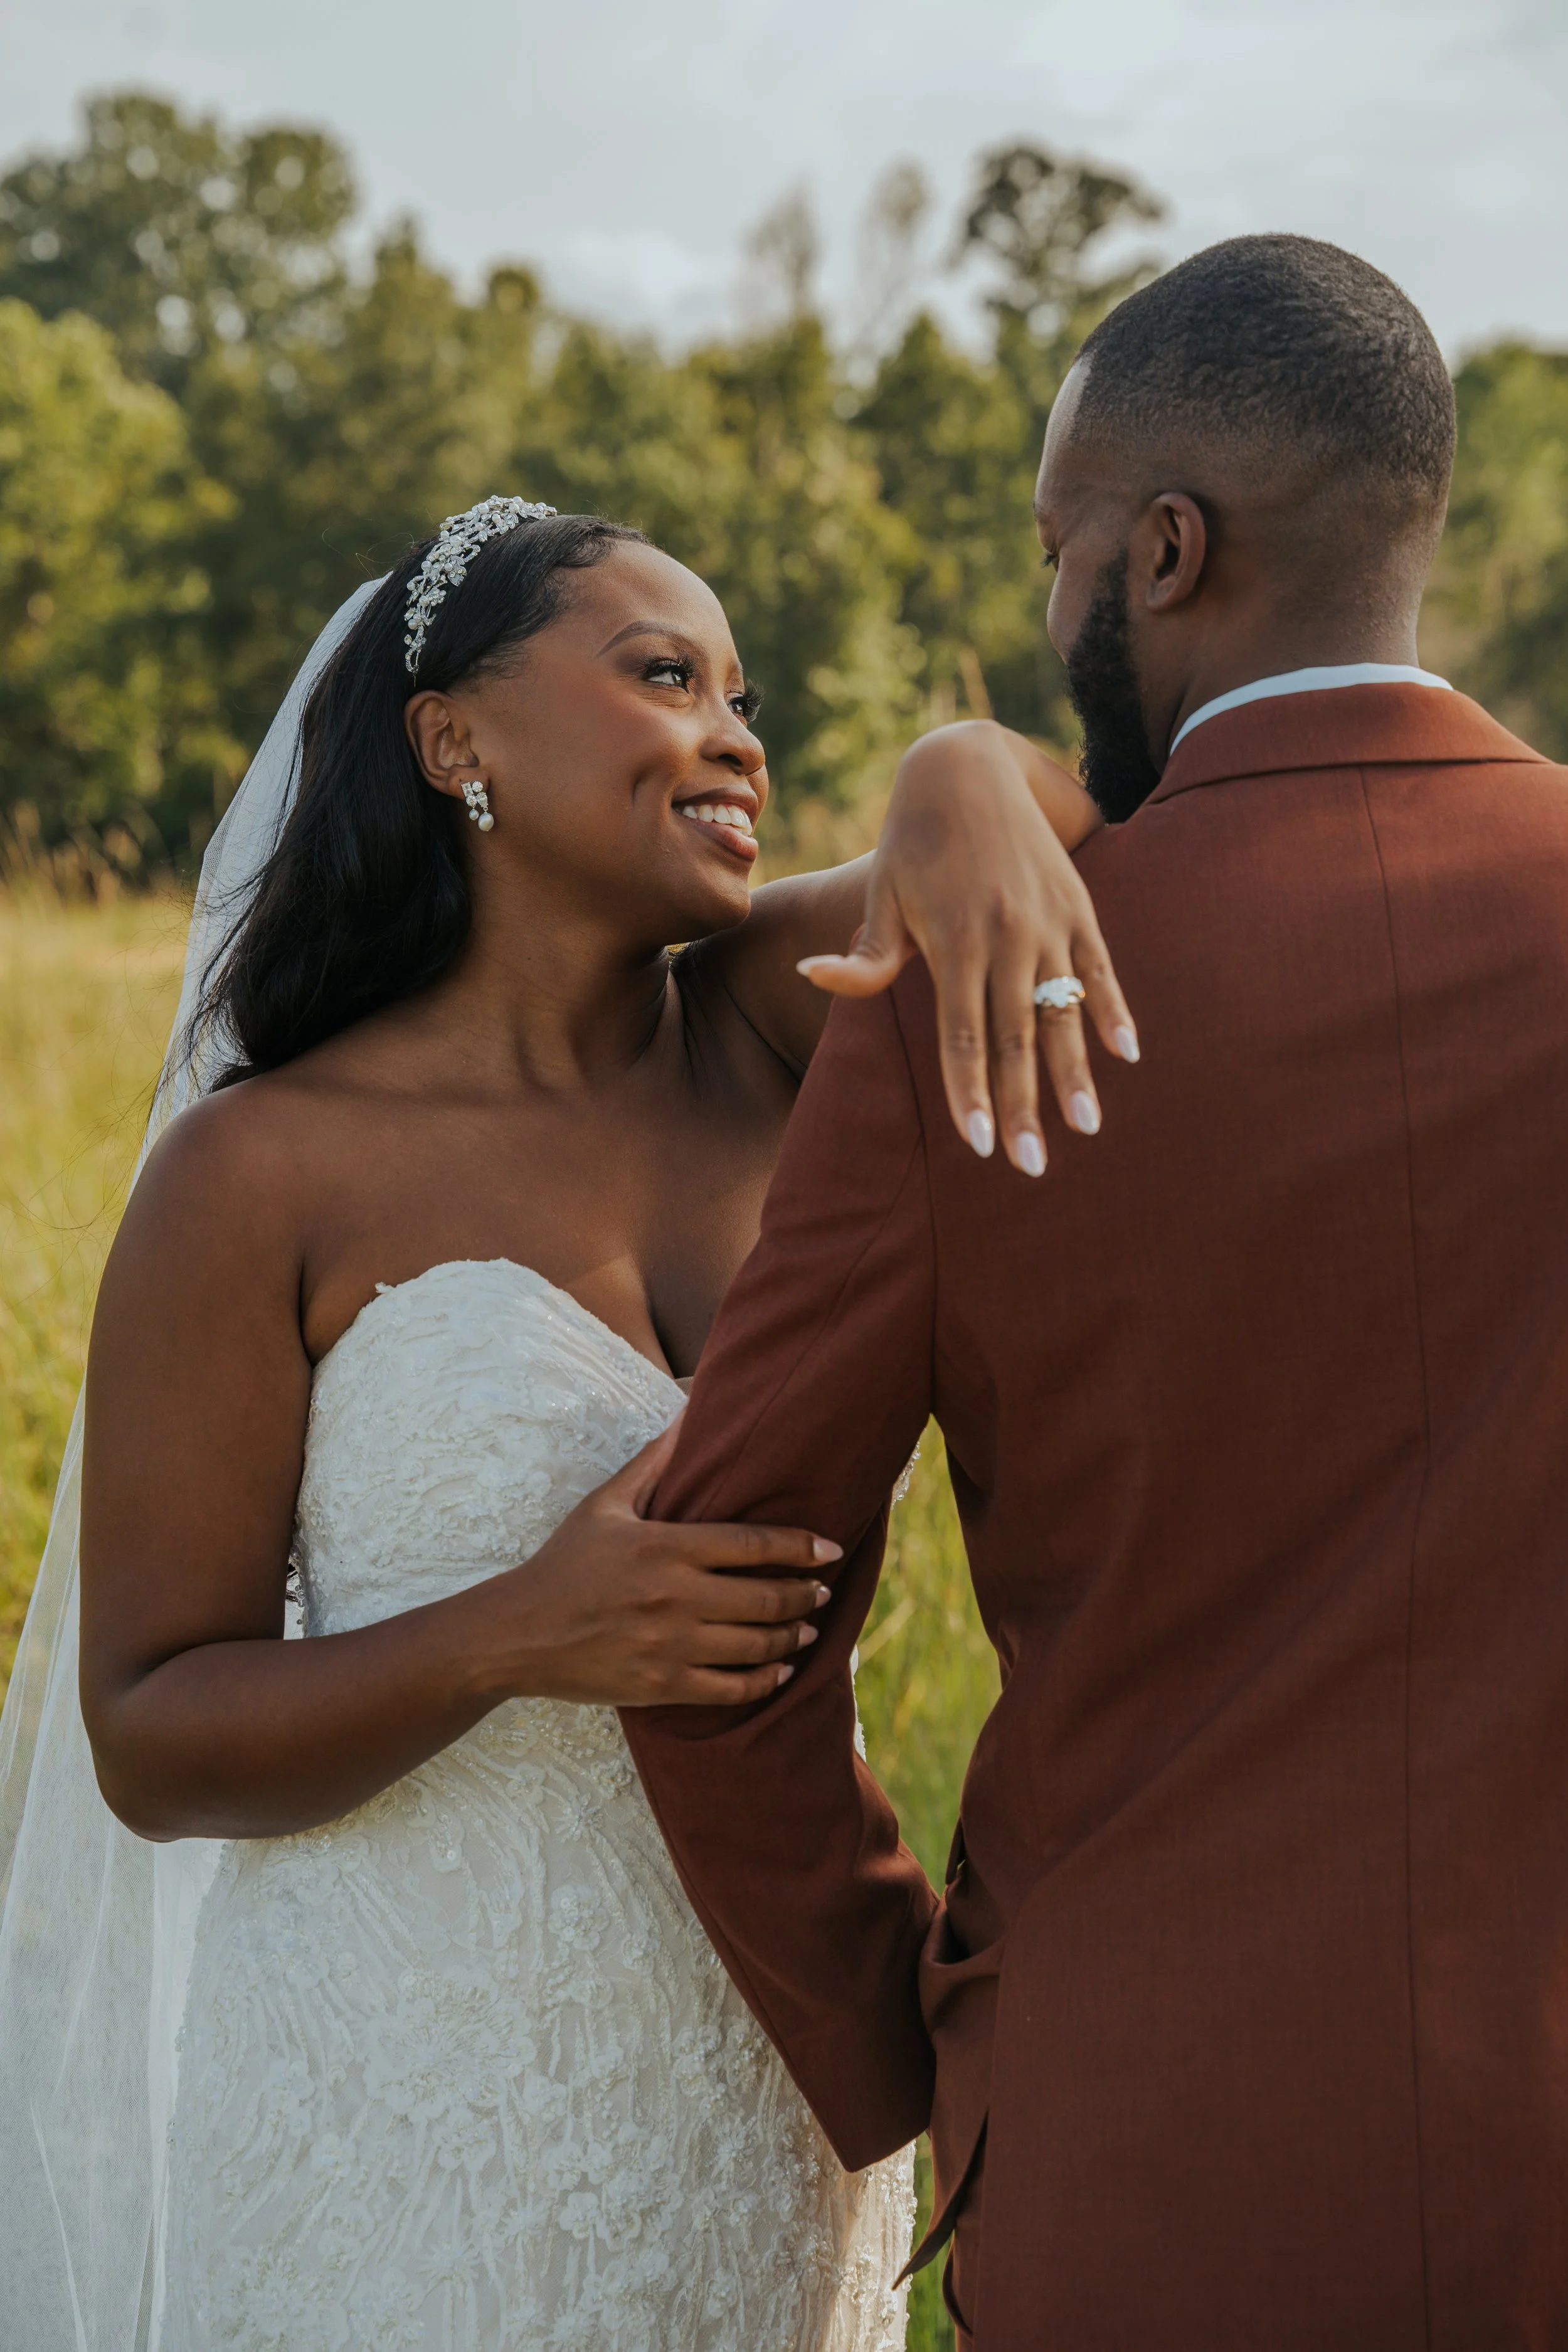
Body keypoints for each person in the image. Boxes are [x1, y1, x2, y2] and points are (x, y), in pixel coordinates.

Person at [0, 499, 1135, 2351]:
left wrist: (943, 761)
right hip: (397, 2111)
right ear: (456, 740)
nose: (734, 735)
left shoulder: (776, 1031)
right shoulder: (261, 1169)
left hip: (752, 2097)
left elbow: (1047, 820)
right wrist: (523, 1633)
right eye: (661, 675)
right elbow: (150, 1729)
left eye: (743, 696)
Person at [622, 234, 1568, 2350]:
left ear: (1162, 549)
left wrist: (917, 2055)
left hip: (1141, 2161)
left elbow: (712, 1617)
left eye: (1058, 559)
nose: (1052, 622)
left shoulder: (971, 1004)